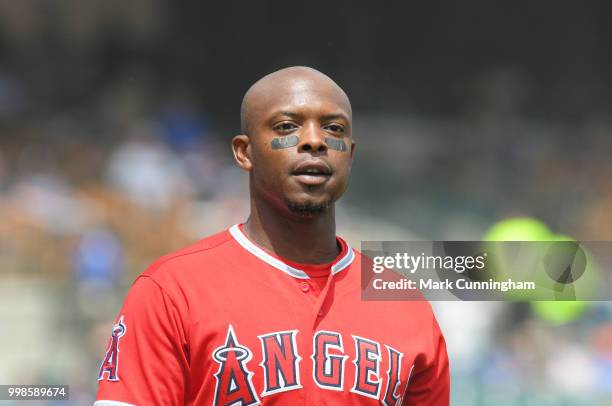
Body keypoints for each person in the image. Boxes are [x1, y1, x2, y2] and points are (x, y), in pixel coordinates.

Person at [95, 66, 449, 405]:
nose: (315, 141)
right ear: (244, 152)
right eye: (286, 126)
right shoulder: (172, 290)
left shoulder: (405, 304)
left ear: (351, 155)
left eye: (334, 129)